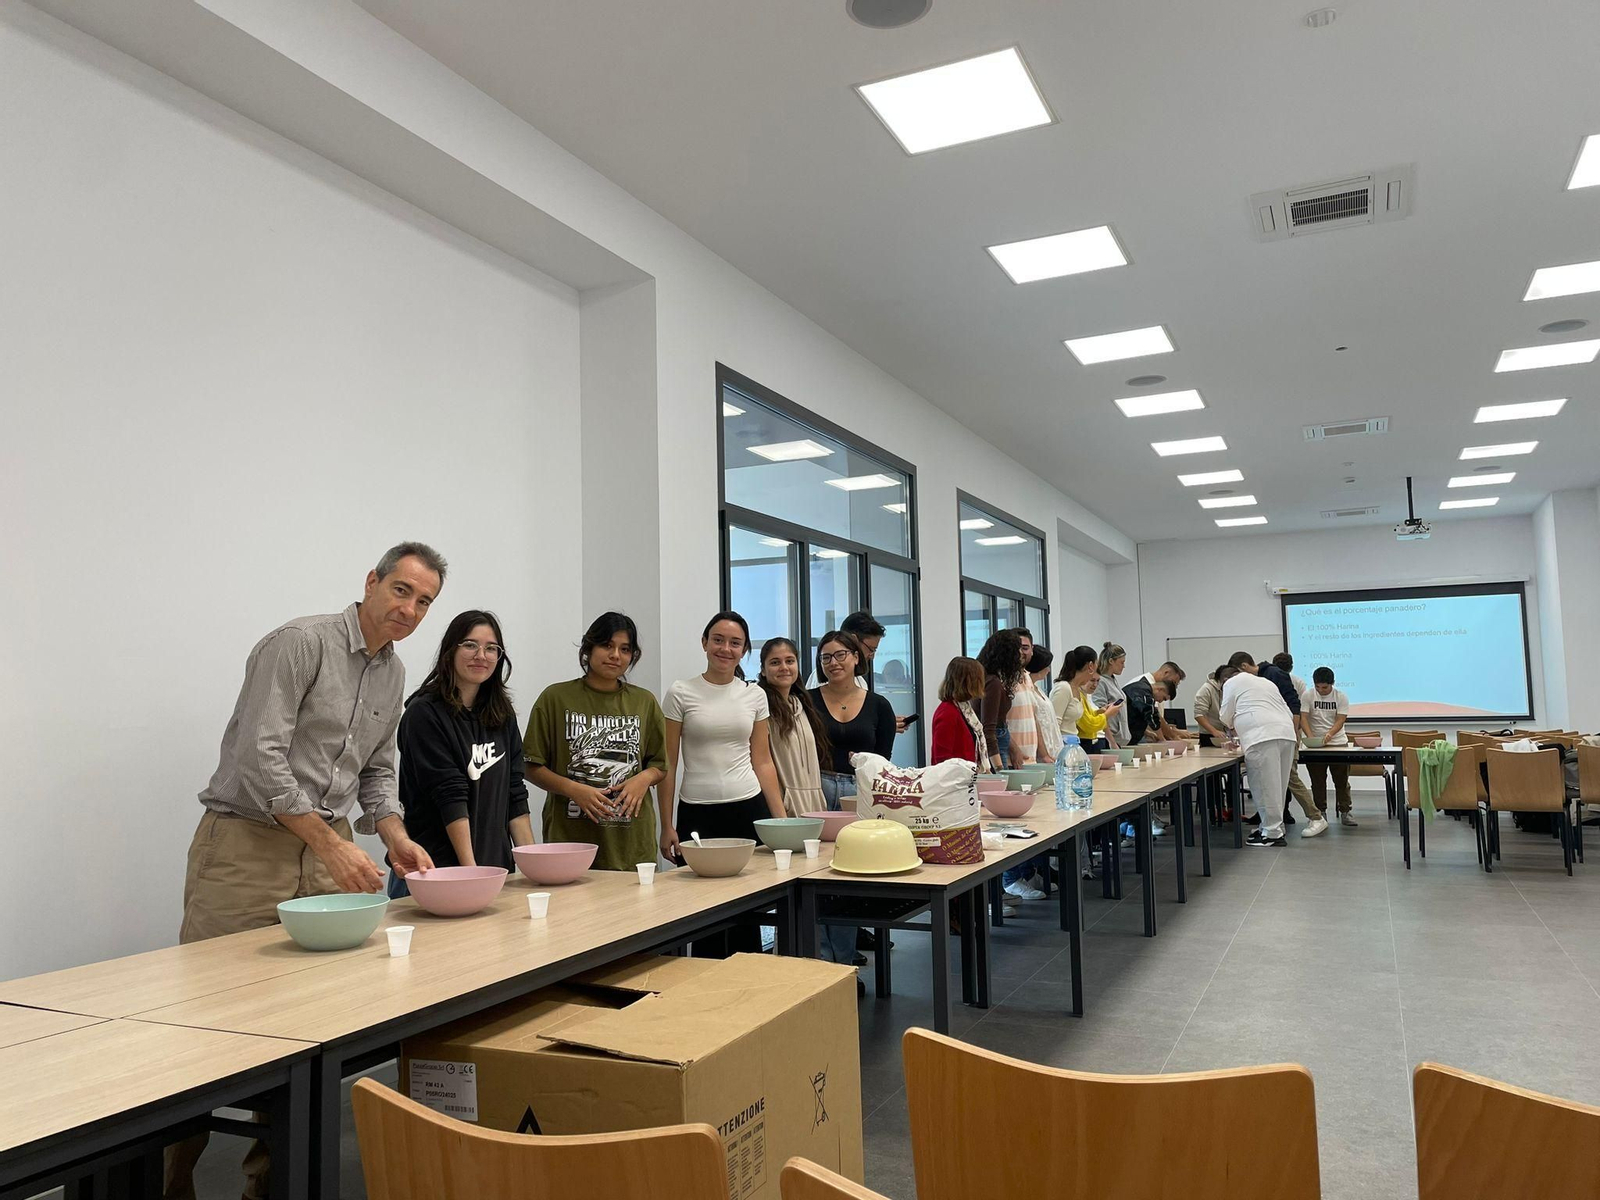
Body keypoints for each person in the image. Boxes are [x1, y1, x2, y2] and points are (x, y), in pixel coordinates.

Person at [170, 542, 444, 1200]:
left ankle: (267, 1190)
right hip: (245, 847)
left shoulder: (394, 674)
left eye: (425, 602)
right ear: (371, 581)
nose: (409, 609)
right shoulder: (299, 643)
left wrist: (396, 837)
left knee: (303, 1029)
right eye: (402, 590)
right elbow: (260, 754)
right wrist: (329, 844)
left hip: (327, 850)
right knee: (203, 1028)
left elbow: (377, 771)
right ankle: (169, 1186)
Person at [660, 612, 785, 954]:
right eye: (718, 640)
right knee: (704, 912)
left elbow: (763, 761)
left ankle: (747, 979)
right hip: (698, 813)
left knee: (748, 910)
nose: (725, 649)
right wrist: (666, 825)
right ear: (704, 643)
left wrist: (781, 823)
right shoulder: (681, 692)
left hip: (747, 809)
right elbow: (668, 763)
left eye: (735, 643)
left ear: (744, 650)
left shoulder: (754, 695)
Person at [388, 610, 531, 898]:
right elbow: (449, 796)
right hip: (435, 873)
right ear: (450, 651)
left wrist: (532, 870)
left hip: (493, 872)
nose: (481, 655)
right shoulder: (424, 714)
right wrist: (471, 874)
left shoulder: (502, 715)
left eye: (491, 648)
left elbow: (515, 793)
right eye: (470, 645)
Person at [524, 612, 668, 871]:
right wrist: (572, 789)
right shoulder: (555, 698)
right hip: (570, 840)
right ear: (588, 648)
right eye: (607, 645)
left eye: (625, 649)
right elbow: (530, 766)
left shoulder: (644, 702)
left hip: (630, 844)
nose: (615, 655)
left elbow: (660, 765)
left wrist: (644, 779)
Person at [810, 629, 896, 974]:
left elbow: (883, 762)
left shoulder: (879, 705)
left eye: (840, 655)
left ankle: (844, 968)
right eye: (826, 657)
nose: (833, 663)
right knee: (814, 879)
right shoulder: (807, 701)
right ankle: (821, 966)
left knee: (848, 880)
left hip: (859, 797)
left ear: (856, 658)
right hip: (815, 791)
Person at [1229, 651, 1325, 837]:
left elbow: (1293, 704)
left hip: (1284, 733)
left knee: (1289, 778)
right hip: (1281, 733)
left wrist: (1294, 734)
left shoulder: (1273, 674)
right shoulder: (1262, 678)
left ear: (1244, 667)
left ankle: (1315, 817)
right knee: (1274, 781)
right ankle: (1273, 821)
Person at [1218, 663, 1299, 848]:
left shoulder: (1231, 683)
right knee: (1278, 787)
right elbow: (1287, 710)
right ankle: (1272, 827)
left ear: (1225, 680)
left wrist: (1231, 726)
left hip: (1261, 735)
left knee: (1265, 787)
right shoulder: (1265, 682)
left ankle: (1271, 834)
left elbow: (1224, 715)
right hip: (1286, 734)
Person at [756, 637, 829, 817]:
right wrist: (780, 816)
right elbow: (761, 765)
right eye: (775, 662)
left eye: (790, 661)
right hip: (781, 808)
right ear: (763, 670)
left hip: (813, 804)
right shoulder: (761, 708)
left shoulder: (803, 705)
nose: (784, 667)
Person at [805, 610, 910, 733]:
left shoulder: (862, 685)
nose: (872, 656)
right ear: (853, 640)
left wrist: (882, 724)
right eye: (871, 649)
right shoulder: (822, 681)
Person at [1302, 666, 1357, 828]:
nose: (1321, 690)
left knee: (1342, 780)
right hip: (1315, 746)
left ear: (1332, 684)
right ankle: (1320, 813)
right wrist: (1311, 737)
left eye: (1324, 687)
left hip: (1338, 743)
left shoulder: (1341, 697)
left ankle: (1345, 811)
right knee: (1317, 781)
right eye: (1317, 687)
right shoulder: (1308, 695)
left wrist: (1330, 734)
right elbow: (1303, 718)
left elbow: (1341, 719)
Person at [977, 629, 1026, 772]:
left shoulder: (989, 678)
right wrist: (998, 768)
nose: (1021, 654)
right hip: (996, 748)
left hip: (999, 742)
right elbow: (988, 729)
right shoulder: (992, 683)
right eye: (1018, 650)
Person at [1052, 645, 1117, 752]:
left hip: (1073, 745)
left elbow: (1083, 717)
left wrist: (1100, 712)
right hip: (1062, 747)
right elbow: (1054, 724)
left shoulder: (1078, 690)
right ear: (1090, 666)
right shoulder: (1064, 688)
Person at [1005, 629, 1053, 767]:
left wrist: (1044, 755)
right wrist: (1014, 750)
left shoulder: (1027, 677)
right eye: (1016, 648)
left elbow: (1034, 718)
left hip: (1030, 760)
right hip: (1010, 761)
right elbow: (997, 723)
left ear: (1032, 650)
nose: (1020, 652)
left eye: (1025, 648)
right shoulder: (1002, 678)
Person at [930, 657, 989, 765]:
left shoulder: (964, 709)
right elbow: (942, 758)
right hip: (956, 774)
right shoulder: (948, 713)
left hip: (967, 772)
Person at [1025, 645, 1064, 764]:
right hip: (1041, 753)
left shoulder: (1038, 690)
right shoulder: (1027, 691)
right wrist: (1043, 754)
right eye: (1047, 666)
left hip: (1053, 749)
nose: (1049, 670)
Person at [1093, 643, 1132, 748]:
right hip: (1110, 740)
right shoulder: (1101, 682)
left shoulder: (1112, 680)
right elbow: (1101, 712)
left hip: (1119, 739)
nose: (1124, 666)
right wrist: (1112, 742)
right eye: (1121, 662)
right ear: (1111, 661)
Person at [1192, 667, 1229, 747]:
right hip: (1209, 735)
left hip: (1227, 734)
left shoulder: (1229, 689)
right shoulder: (1206, 689)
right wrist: (1214, 731)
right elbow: (1199, 715)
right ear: (1225, 680)